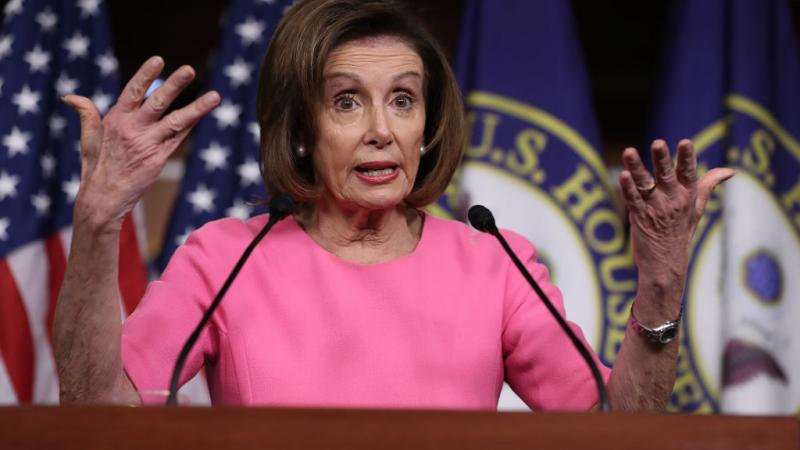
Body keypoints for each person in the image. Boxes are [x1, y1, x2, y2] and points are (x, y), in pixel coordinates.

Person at [54, 0, 734, 410]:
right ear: (301, 129)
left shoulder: (494, 264)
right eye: (347, 101)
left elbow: (615, 428)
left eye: (403, 100)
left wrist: (662, 278)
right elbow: (97, 406)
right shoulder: (225, 258)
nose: (382, 129)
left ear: (427, 125)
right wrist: (98, 221)